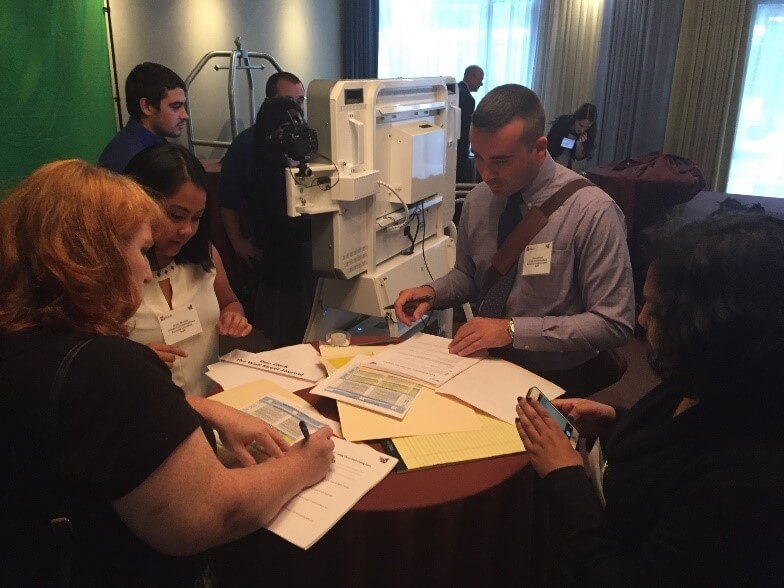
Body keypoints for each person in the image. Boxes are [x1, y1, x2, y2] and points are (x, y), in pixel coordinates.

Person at [0, 160, 334, 586]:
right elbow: (215, 512)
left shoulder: (22, 336)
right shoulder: (108, 367)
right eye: (140, 251)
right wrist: (303, 465)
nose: (145, 272)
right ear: (89, 257)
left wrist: (203, 409)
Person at [515, 213, 784, 585]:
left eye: (655, 309)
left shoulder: (743, 481)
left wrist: (567, 480)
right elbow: (676, 439)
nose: (640, 320)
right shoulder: (710, 375)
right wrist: (614, 418)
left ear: (712, 328)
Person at [394, 84, 634, 393]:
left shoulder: (593, 211)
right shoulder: (479, 200)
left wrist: (512, 330)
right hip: (486, 364)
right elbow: (470, 276)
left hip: (559, 379)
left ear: (539, 148)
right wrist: (432, 292)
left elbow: (614, 322)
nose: (485, 173)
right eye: (478, 158)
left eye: (501, 161)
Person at [123, 143, 250, 397]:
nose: (187, 230)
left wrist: (233, 315)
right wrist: (132, 359)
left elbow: (229, 302)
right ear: (138, 204)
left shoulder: (204, 254)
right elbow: (90, 356)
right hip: (145, 413)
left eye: (196, 217)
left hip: (208, 405)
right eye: (176, 215)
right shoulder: (116, 272)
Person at [219, 71, 306, 266]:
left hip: (306, 243)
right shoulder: (247, 144)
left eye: (300, 101)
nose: (295, 107)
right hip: (269, 244)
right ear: (269, 102)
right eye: (288, 101)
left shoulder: (307, 141)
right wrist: (237, 242)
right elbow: (227, 200)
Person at [249, 96, 316, 347]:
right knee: (290, 338)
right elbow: (289, 229)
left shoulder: (290, 169)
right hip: (285, 275)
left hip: (297, 269)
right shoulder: (269, 177)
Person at [98, 62, 189, 172]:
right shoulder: (127, 160)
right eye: (176, 106)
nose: (185, 115)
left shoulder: (152, 147)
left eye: (183, 105)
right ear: (147, 106)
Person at [546, 102, 597, 171]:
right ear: (576, 118)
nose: (582, 130)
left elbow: (579, 157)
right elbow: (552, 144)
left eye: (587, 127)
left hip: (566, 168)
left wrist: (579, 144)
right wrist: (574, 143)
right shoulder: (562, 122)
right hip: (550, 162)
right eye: (580, 125)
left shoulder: (590, 131)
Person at [456, 65, 484, 183]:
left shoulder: (455, 91)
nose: (481, 84)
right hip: (460, 148)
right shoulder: (468, 99)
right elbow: (466, 129)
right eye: (480, 80)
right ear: (471, 76)